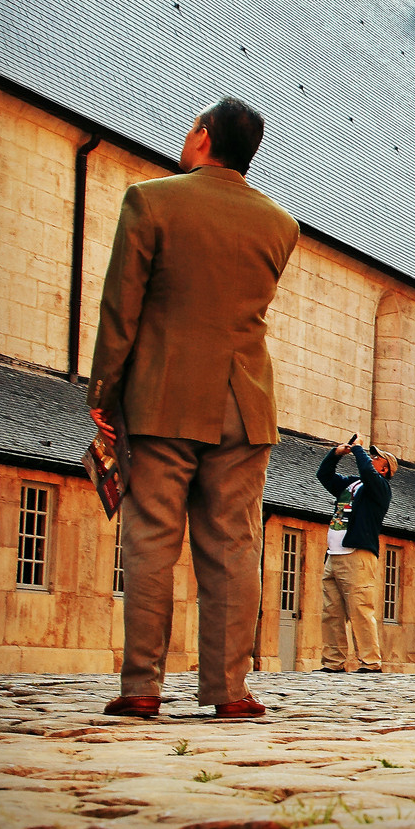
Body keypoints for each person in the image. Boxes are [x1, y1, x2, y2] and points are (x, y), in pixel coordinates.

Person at [89, 97, 298, 720]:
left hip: (163, 396)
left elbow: (120, 309)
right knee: (235, 545)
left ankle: (142, 687)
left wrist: (104, 393)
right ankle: (229, 691)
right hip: (244, 402)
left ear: (202, 139)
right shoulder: (279, 225)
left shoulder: (151, 201)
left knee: (152, 539)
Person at [316, 438, 394, 673]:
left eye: (376, 458)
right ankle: (333, 662)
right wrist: (336, 454)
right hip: (334, 554)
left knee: (360, 610)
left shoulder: (379, 488)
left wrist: (359, 449)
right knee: (331, 613)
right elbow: (325, 475)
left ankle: (370, 662)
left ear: (384, 469)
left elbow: (368, 474)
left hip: (357, 556)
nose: (371, 458)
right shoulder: (351, 484)